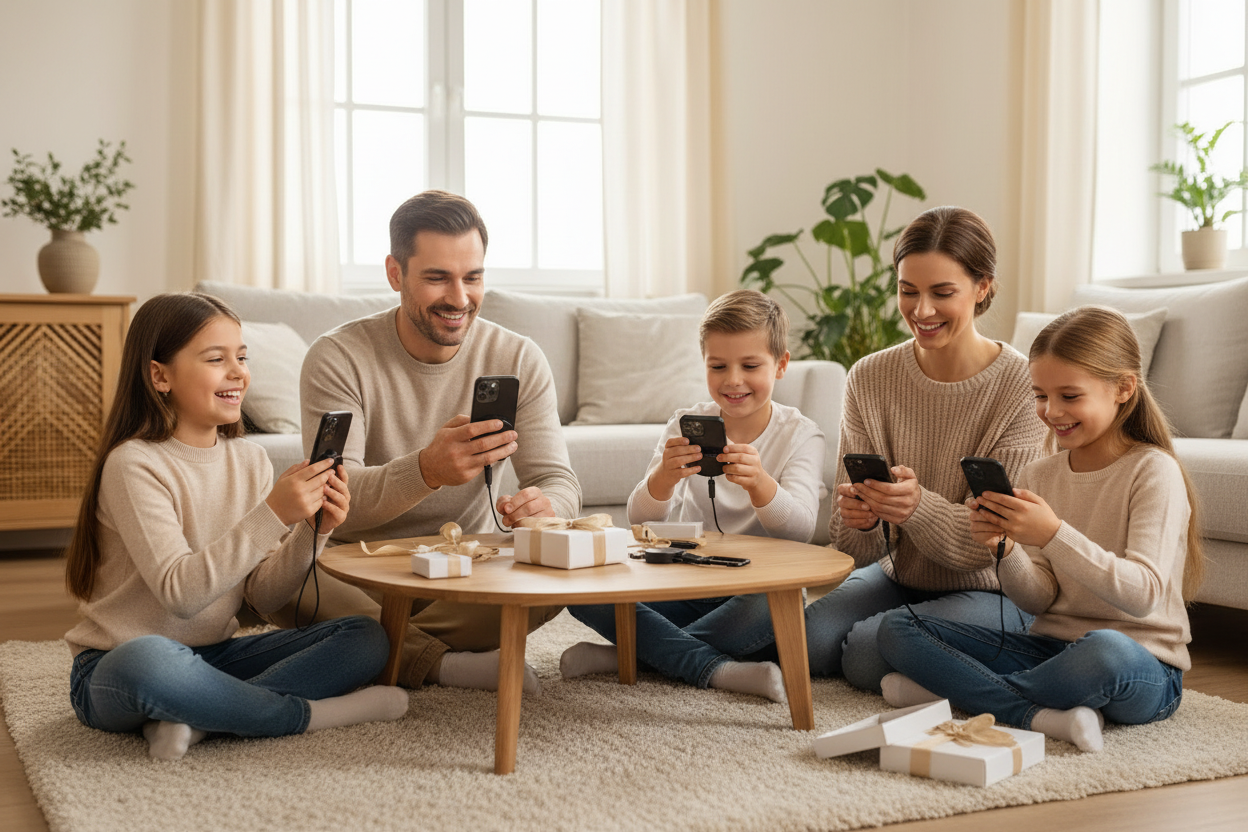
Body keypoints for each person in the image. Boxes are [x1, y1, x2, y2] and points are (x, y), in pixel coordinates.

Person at [64, 293, 406, 762]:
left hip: (215, 657)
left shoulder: (250, 458)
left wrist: (313, 529)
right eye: (216, 358)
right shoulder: (134, 464)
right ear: (159, 375)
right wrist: (272, 514)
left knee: (367, 638)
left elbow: (262, 599)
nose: (238, 372)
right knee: (151, 659)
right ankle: (306, 715)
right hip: (116, 666)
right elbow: (180, 596)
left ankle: (197, 717)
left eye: (241, 357)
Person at [265, 190, 581, 694]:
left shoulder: (519, 357)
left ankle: (371, 644)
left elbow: (557, 480)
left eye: (472, 277)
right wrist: (428, 470)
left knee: (554, 580)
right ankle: (442, 664)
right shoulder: (337, 357)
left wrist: (546, 507)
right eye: (437, 277)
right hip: (360, 572)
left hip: (470, 570)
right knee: (282, 578)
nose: (459, 298)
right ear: (395, 274)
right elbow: (332, 500)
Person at [876, 306, 1205, 752]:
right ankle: (1037, 714)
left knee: (1104, 651)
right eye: (1040, 395)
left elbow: (1143, 594)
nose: (1051, 412)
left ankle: (954, 695)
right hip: (1050, 651)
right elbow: (1039, 599)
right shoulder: (1038, 474)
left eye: (1069, 396)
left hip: (1140, 663)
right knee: (898, 629)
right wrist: (1006, 550)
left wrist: (1052, 533)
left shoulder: (1153, 471)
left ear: (1124, 388)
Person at [798, 205, 1048, 693]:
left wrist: (916, 508)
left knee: (866, 655)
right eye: (907, 291)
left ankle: (987, 664)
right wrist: (862, 519)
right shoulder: (869, 377)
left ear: (983, 288)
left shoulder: (1022, 384)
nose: (922, 310)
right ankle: (930, 664)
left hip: (994, 588)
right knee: (806, 640)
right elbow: (850, 547)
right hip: (898, 577)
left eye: (942, 292)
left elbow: (995, 542)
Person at [560, 290, 825, 702]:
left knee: (772, 607)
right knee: (581, 589)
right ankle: (715, 668)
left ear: (782, 365)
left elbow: (802, 532)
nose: (733, 380)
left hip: (756, 592)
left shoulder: (801, 434)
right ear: (703, 365)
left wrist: (761, 485)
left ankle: (631, 656)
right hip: (685, 581)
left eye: (750, 365)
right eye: (718, 366)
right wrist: (663, 479)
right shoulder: (684, 424)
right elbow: (639, 519)